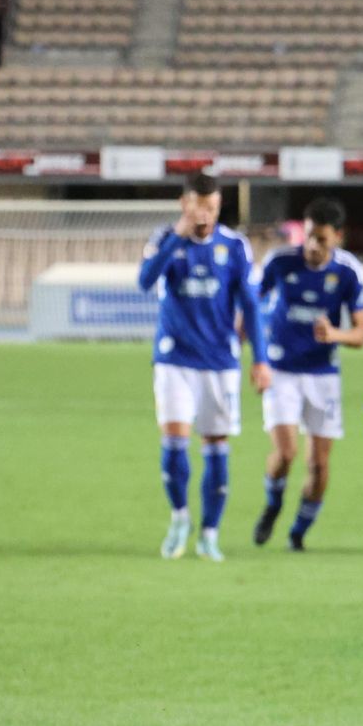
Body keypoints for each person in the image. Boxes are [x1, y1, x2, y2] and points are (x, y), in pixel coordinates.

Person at [137, 172, 271, 562]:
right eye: (199, 207)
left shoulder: (235, 246)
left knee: (216, 446)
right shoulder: (164, 239)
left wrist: (260, 359)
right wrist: (177, 237)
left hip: (219, 363)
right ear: (185, 205)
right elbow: (145, 280)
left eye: (211, 207)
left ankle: (210, 533)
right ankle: (180, 517)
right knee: (174, 440)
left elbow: (251, 306)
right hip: (174, 359)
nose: (205, 215)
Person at [251, 197, 363, 551]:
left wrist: (335, 335)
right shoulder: (280, 261)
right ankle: (273, 503)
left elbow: (360, 334)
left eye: (322, 238)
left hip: (322, 375)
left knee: (318, 465)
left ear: (338, 237)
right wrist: (257, 356)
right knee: (286, 453)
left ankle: (298, 532)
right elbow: (250, 305)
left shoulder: (348, 272)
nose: (313, 245)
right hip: (281, 370)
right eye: (309, 236)